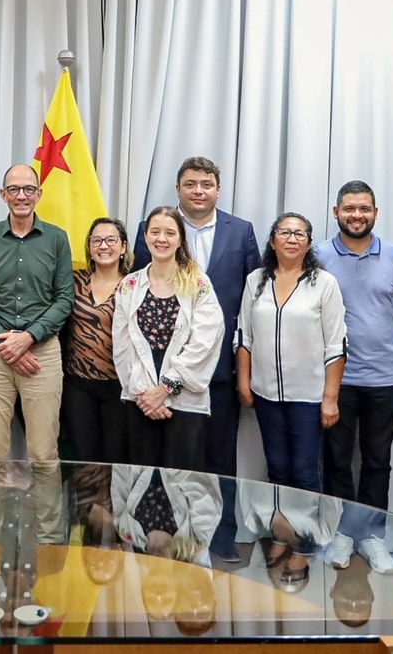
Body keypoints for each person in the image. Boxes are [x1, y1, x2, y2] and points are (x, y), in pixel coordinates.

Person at [132, 157, 258, 562]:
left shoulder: (241, 232)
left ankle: (221, 536)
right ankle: (166, 531)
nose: (198, 190)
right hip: (162, 370)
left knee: (220, 455)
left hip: (220, 366)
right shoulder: (155, 229)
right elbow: (140, 293)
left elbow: (252, 293)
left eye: (206, 184)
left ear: (218, 189)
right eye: (190, 184)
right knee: (170, 458)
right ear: (179, 188)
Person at [0, 164, 74, 541]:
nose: (22, 196)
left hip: (41, 352)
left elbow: (64, 299)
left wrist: (28, 337)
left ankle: (48, 539)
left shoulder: (58, 239)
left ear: (39, 194)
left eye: (29, 189)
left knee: (44, 454)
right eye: (14, 190)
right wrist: (5, 342)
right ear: (3, 195)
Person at [315, 180, 393, 575]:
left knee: (377, 461)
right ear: (336, 212)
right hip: (334, 381)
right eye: (349, 209)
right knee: (337, 461)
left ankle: (371, 536)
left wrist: (382, 337)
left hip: (385, 378)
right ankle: (342, 533)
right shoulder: (317, 254)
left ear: (375, 213)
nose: (357, 215)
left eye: (365, 209)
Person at [236, 212, 347, 492]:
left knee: (305, 472)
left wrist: (330, 399)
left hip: (309, 397)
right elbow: (244, 335)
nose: (292, 239)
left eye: (300, 234)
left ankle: (308, 535)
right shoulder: (255, 280)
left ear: (309, 244)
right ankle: (283, 534)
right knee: (277, 469)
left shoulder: (324, 283)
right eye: (285, 232)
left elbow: (336, 344)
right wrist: (244, 384)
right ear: (272, 241)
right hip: (265, 394)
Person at [115, 206, 224, 470]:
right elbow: (122, 346)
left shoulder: (198, 283)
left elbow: (206, 341)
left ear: (180, 239)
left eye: (169, 233)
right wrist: (145, 395)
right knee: (141, 482)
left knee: (182, 486)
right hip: (141, 400)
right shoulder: (129, 285)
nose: (161, 239)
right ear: (145, 236)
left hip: (185, 400)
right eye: (155, 232)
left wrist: (165, 390)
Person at [61, 217, 133, 464]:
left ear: (123, 247)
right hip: (78, 385)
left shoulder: (134, 285)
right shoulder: (73, 280)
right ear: (89, 247)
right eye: (97, 240)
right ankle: (87, 504)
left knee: (115, 456)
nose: (104, 245)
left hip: (120, 385)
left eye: (111, 240)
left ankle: (111, 504)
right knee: (83, 456)